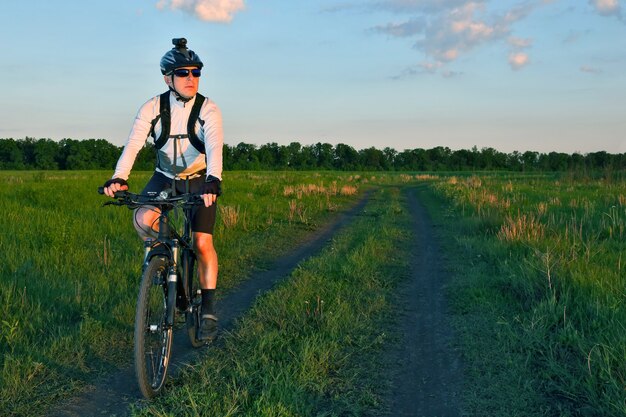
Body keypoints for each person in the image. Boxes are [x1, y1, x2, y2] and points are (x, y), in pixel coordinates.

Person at [103, 38, 223, 341]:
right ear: (167, 78)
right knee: (143, 219)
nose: (191, 79)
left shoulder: (208, 109)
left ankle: (207, 308)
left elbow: (214, 145)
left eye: (196, 72)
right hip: (164, 177)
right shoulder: (152, 107)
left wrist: (213, 179)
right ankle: (165, 262)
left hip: (199, 179)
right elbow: (133, 144)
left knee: (202, 242)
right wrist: (119, 177)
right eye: (183, 73)